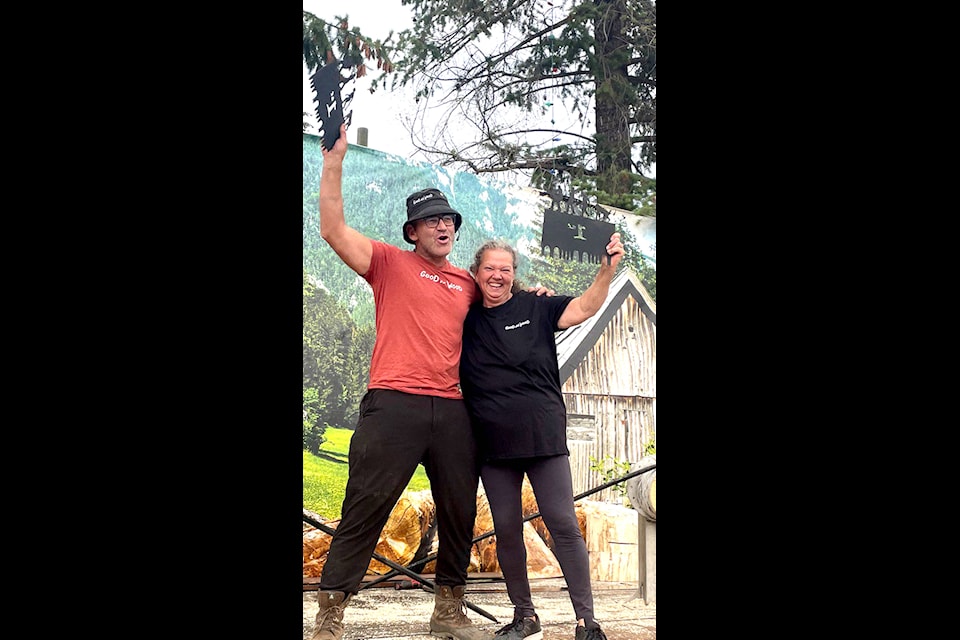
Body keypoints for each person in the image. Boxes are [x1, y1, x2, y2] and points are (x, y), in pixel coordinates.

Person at [311, 122, 511, 640]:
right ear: (412, 232)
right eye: (430, 221)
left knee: (460, 509)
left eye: (448, 219)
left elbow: (505, 303)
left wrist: (527, 289)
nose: (442, 227)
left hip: (451, 410)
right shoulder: (387, 263)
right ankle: (330, 615)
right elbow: (332, 229)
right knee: (365, 507)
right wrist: (333, 161)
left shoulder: (469, 283)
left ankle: (448, 612)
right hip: (393, 403)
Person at [459, 235, 625, 640]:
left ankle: (587, 622)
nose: (497, 275)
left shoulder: (536, 305)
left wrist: (608, 269)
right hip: (492, 444)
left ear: (514, 275)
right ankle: (525, 616)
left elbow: (585, 307)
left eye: (506, 269)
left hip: (542, 435)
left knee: (562, 522)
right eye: (489, 268)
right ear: (476, 273)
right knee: (507, 528)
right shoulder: (465, 317)